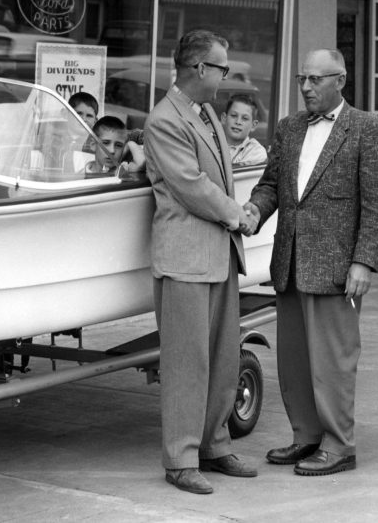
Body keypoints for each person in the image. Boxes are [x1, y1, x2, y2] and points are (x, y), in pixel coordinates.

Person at [245, 48, 378, 476]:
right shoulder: (289, 128)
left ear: (340, 80)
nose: (306, 87)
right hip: (290, 264)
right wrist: (255, 210)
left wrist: (364, 262)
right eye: (301, 79)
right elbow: (271, 183)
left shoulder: (368, 128)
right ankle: (305, 437)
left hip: (337, 270)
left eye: (315, 79)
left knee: (333, 362)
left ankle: (339, 445)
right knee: (294, 361)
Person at [144, 29, 258, 495]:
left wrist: (238, 216)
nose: (225, 77)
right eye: (221, 68)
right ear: (197, 69)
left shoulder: (207, 113)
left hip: (219, 256)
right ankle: (180, 459)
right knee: (187, 363)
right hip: (188, 259)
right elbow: (191, 185)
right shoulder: (164, 120)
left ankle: (214, 445)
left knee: (221, 359)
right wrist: (239, 215)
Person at [220, 93, 267, 166]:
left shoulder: (256, 151)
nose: (238, 122)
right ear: (224, 118)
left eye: (245, 118)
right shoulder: (210, 143)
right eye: (234, 116)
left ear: (253, 125)